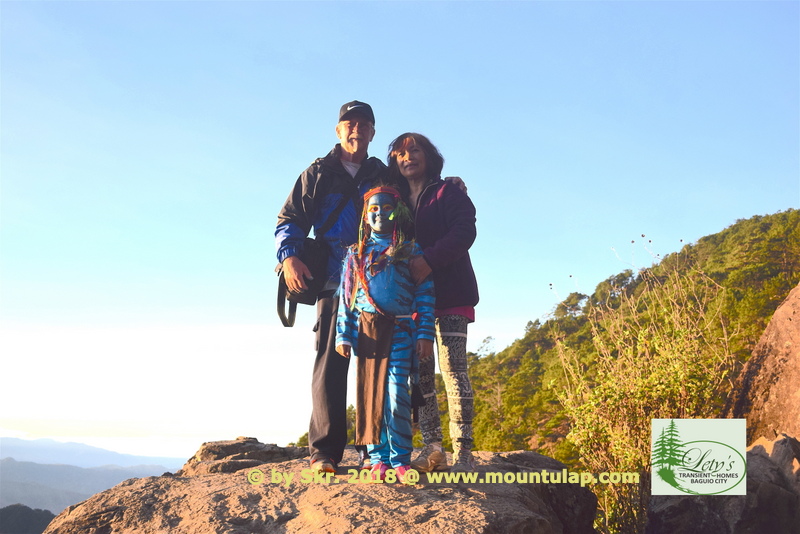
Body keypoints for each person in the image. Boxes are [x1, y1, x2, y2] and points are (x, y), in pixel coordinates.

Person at [276, 101, 389, 473]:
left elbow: (413, 203)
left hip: (377, 277)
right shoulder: (318, 173)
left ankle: (374, 450)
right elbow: (290, 217)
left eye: (364, 124)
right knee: (331, 357)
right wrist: (290, 255)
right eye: (349, 123)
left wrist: (447, 182)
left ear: (373, 132)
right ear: (338, 131)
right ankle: (324, 451)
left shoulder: (382, 174)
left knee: (375, 360)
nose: (356, 129)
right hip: (333, 276)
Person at [386, 133, 480, 472]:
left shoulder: (447, 191)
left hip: (452, 293)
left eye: (415, 150)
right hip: (411, 301)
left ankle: (464, 453)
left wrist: (430, 260)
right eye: (400, 153)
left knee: (454, 371)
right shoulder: (393, 201)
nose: (408, 157)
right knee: (421, 376)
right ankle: (433, 449)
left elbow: (464, 231)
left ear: (429, 155)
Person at [335, 185, 435, 482]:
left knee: (395, 395)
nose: (380, 213)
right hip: (367, 333)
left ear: (398, 211)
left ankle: (400, 458)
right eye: (373, 209)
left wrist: (425, 333)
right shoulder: (355, 255)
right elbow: (346, 300)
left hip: (402, 330)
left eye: (386, 207)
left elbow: (426, 294)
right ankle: (378, 458)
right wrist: (343, 335)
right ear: (365, 216)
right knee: (371, 396)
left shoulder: (411, 251)